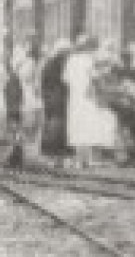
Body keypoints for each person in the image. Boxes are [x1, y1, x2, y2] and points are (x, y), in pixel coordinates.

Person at [66, 35, 112, 170]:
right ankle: (89, 159)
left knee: (76, 126)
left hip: (74, 96)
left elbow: (66, 80)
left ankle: (79, 159)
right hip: (88, 96)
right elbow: (95, 78)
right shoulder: (89, 60)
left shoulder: (71, 60)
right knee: (89, 126)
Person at [40, 38, 72, 170]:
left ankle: (52, 156)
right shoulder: (60, 63)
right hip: (58, 98)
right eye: (67, 51)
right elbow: (65, 81)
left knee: (52, 125)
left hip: (50, 97)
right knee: (58, 127)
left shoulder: (49, 63)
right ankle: (56, 156)